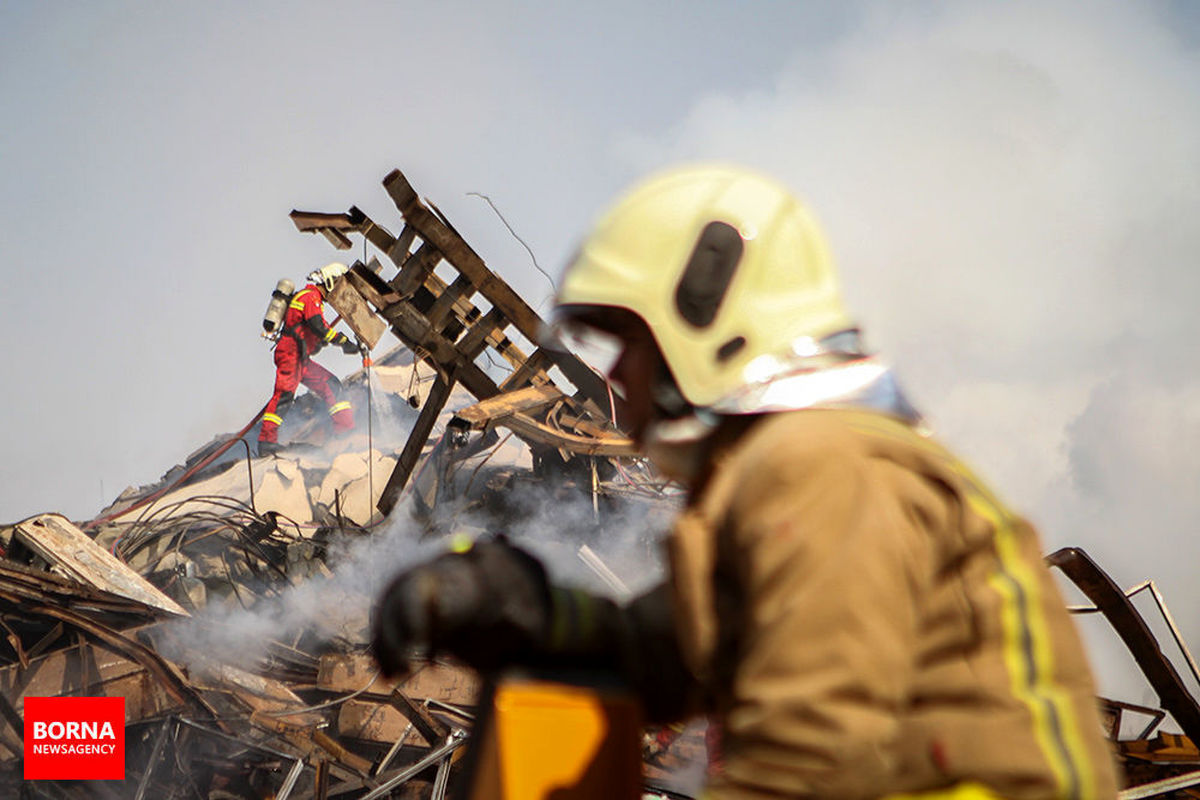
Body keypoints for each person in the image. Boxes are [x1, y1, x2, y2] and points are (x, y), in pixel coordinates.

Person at [371, 165, 1120, 799]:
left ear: (707, 323)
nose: (613, 373)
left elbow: (812, 761)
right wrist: (531, 611)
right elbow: (655, 659)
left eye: (627, 339)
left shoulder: (824, 467)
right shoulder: (789, 475)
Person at [258, 262, 359, 455]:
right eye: (338, 285)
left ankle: (345, 430)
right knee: (284, 396)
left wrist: (325, 341)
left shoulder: (312, 300)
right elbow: (318, 326)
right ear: (330, 282)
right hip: (290, 354)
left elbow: (314, 329)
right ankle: (266, 442)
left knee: (332, 385)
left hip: (300, 357)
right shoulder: (310, 297)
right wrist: (343, 341)